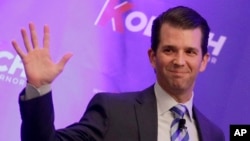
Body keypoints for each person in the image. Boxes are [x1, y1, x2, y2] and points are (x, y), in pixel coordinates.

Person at [12, 6, 225, 141]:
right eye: (169, 50)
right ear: (152, 56)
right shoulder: (112, 111)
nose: (179, 61)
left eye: (190, 52)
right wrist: (39, 88)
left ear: (204, 60)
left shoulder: (213, 135)